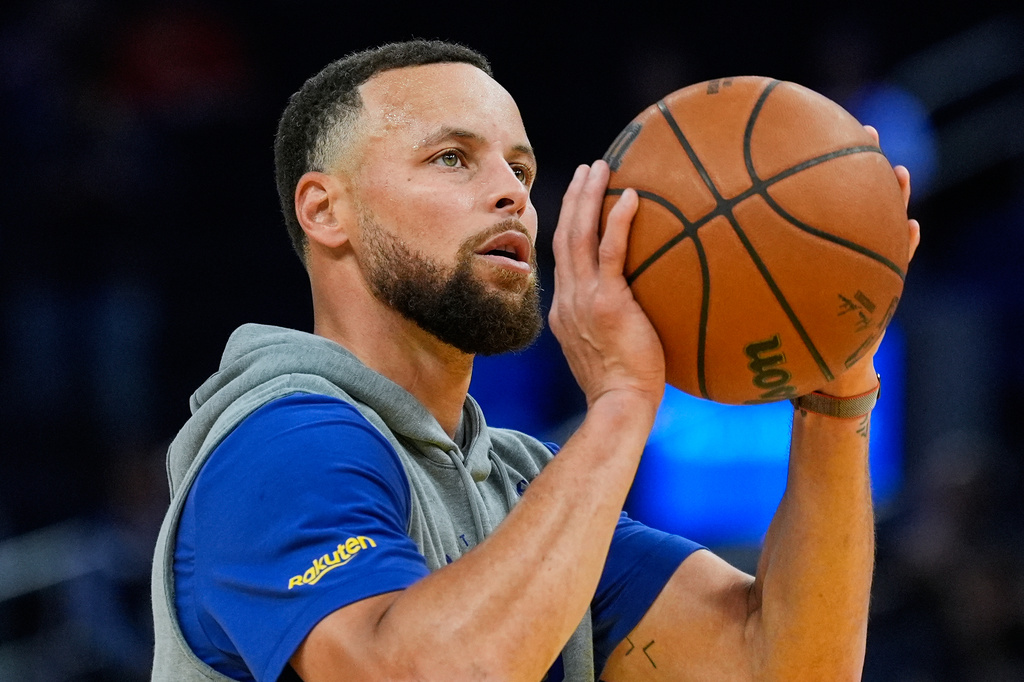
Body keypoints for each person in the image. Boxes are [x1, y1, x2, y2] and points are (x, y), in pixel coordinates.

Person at [150, 40, 921, 682]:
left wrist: (836, 386)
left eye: (520, 170)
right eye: (453, 159)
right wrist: (621, 402)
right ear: (325, 210)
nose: (512, 195)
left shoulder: (527, 490)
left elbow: (788, 667)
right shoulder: (280, 443)